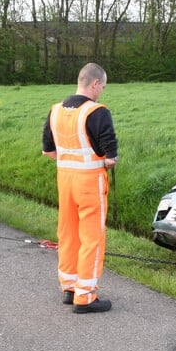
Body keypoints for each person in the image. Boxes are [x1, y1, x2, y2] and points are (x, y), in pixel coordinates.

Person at [42, 63, 119, 314]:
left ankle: (69, 287)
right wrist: (105, 161)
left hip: (64, 179)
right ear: (94, 83)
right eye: (103, 87)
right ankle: (85, 296)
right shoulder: (97, 112)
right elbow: (110, 156)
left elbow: (48, 151)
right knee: (92, 237)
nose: (102, 92)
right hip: (90, 182)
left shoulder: (55, 111)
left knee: (68, 233)